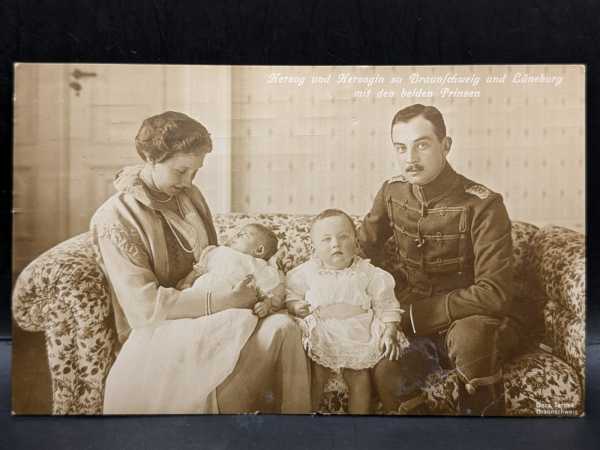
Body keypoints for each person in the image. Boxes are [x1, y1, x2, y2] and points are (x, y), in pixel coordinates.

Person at [91, 111, 310, 414]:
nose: (188, 182)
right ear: (151, 158)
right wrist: (227, 299)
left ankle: (299, 431)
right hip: (163, 332)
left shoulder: (189, 196)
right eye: (181, 171)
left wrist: (260, 279)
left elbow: (214, 258)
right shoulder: (116, 217)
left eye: (195, 172)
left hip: (219, 314)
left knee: (284, 327)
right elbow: (143, 308)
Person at [359, 104, 521, 416]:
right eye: (401, 148)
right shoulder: (392, 192)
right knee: (386, 371)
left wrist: (415, 314)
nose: (410, 158)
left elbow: (495, 293)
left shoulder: (484, 205)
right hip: (416, 325)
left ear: (446, 145)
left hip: (472, 319)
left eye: (422, 145)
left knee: (470, 339)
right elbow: (361, 251)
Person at [286, 209, 409, 413]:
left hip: (358, 332)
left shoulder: (369, 273)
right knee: (316, 374)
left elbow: (386, 305)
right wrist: (295, 305)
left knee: (359, 378)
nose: (336, 243)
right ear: (314, 247)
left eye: (343, 237)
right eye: (326, 239)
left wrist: (389, 331)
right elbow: (291, 294)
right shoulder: (307, 272)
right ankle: (306, 422)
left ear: (356, 241)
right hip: (322, 330)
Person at [177, 223, 284, 318]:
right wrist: (187, 282)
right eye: (238, 233)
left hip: (231, 303)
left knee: (243, 319)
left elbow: (270, 291)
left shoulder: (257, 265)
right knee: (183, 304)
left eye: (243, 235)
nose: (236, 236)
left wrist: (266, 305)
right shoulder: (219, 251)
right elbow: (198, 269)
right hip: (200, 291)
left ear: (259, 250)